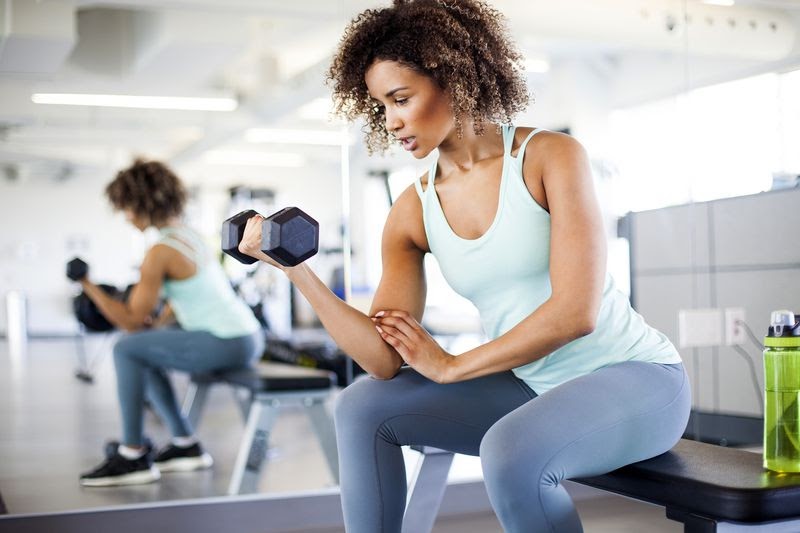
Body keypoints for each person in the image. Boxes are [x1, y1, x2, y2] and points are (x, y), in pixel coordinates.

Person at [239, 0, 690, 531]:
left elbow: (575, 314)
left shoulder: (550, 157)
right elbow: (384, 360)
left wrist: (453, 365)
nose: (392, 121)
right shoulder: (413, 208)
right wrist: (296, 270)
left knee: (509, 452)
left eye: (401, 98)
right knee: (362, 407)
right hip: (528, 383)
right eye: (382, 106)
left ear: (454, 78)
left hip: (633, 378)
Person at [77, 159, 263, 487]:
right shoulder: (188, 236)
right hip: (246, 335)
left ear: (141, 204)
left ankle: (132, 455)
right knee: (143, 352)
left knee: (126, 349)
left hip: (225, 341)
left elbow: (131, 322)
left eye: (127, 208)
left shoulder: (160, 251)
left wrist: (88, 285)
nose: (127, 216)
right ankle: (184, 445)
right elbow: (183, 299)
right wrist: (159, 325)